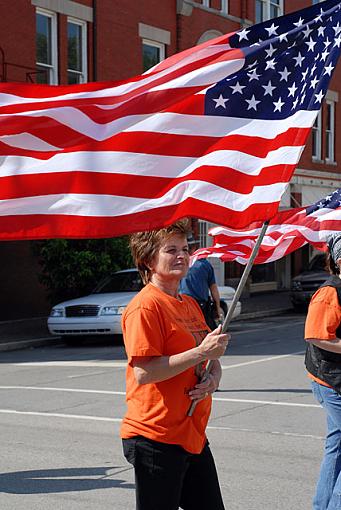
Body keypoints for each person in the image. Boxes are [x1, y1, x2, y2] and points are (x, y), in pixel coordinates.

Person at [120, 220, 229, 510]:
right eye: (171, 249)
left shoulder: (190, 304)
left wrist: (213, 379)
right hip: (156, 436)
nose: (182, 255)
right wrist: (200, 353)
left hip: (192, 432)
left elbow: (211, 355)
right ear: (148, 259)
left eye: (185, 248)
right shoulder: (145, 307)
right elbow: (145, 372)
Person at [304, 233, 341, 510]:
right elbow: (316, 335)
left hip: (336, 379)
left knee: (336, 444)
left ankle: (323, 506)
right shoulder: (330, 291)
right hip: (329, 381)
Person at [179, 236, 223, 330]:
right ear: (195, 248)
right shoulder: (205, 265)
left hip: (183, 304)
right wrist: (217, 307)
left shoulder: (180, 264)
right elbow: (213, 289)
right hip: (201, 306)